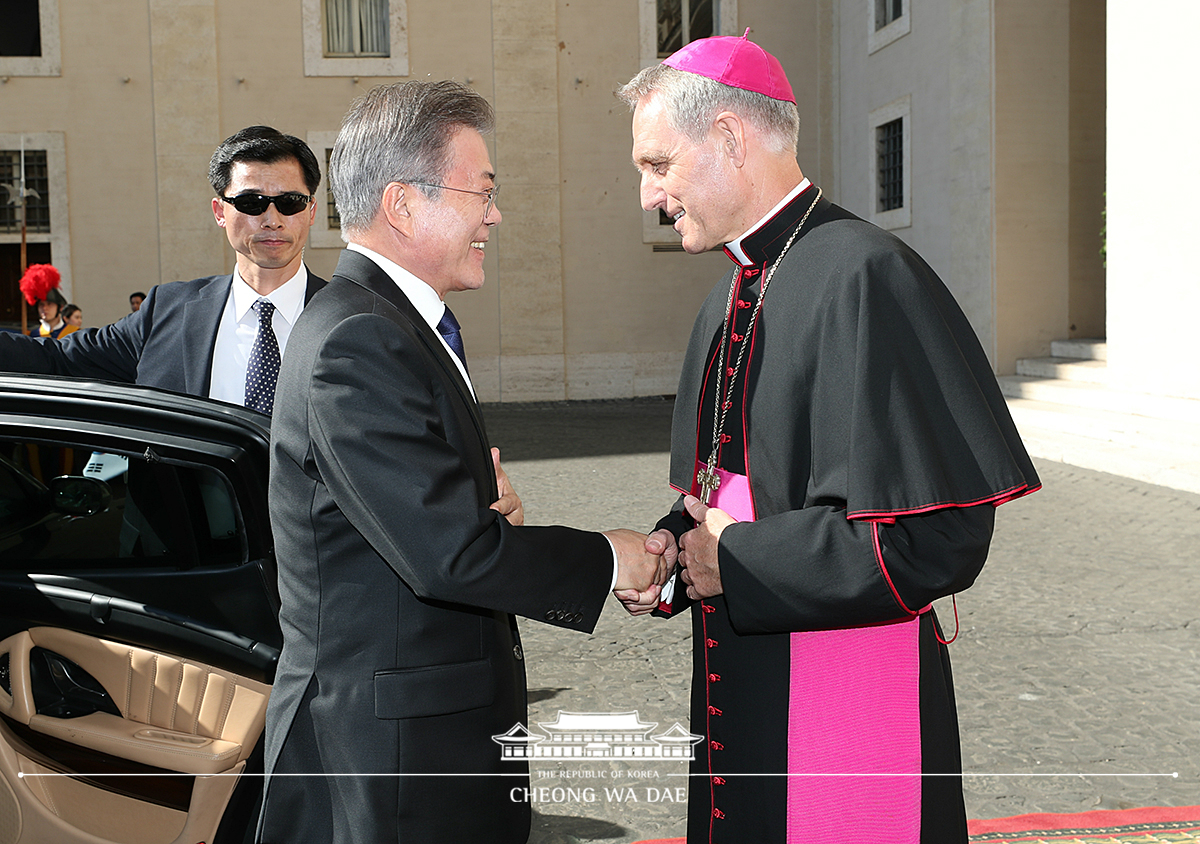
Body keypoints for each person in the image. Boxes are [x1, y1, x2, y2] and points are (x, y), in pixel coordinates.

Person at [617, 33, 1041, 843]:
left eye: (658, 164)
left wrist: (732, 561)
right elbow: (727, 492)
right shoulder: (732, 293)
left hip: (841, 704)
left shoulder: (868, 275)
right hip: (744, 688)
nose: (648, 194)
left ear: (731, 138)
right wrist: (673, 556)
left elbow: (936, 537)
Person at [258, 80, 667, 844]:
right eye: (482, 191)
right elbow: (448, 555)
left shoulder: (393, 323)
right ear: (403, 204)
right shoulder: (360, 340)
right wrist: (610, 559)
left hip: (420, 738)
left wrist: (477, 500)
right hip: (397, 760)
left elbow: (413, 517)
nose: (495, 214)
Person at [0, 127, 325, 411]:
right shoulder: (166, 311)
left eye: (290, 202)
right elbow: (58, 361)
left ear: (311, 211)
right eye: (252, 203)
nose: (272, 220)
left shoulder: (359, 317)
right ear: (220, 212)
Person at [17, 264, 77, 339]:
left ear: (60, 307)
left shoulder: (74, 334)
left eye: (49, 304)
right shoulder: (32, 336)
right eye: (41, 304)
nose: (45, 308)